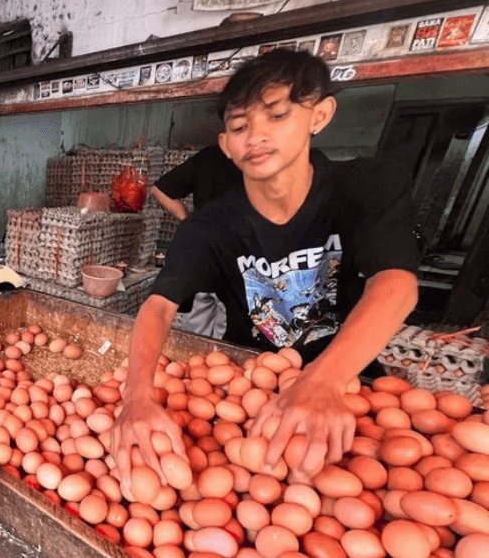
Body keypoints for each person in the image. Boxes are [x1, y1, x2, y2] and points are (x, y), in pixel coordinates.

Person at [112, 49, 419, 483]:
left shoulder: (364, 187)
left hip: (347, 379)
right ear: (226, 145)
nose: (256, 136)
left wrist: (323, 381)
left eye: (277, 115)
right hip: (250, 387)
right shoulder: (210, 226)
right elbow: (159, 306)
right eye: (240, 126)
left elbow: (397, 284)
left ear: (320, 115)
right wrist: (138, 396)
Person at [150, 145, 243, 339]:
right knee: (229, 338)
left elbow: (159, 190)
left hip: (203, 254)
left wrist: (188, 222)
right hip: (238, 258)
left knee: (195, 334)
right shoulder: (261, 161)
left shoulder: (208, 156)